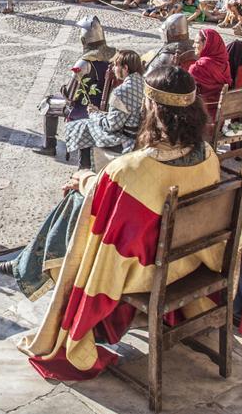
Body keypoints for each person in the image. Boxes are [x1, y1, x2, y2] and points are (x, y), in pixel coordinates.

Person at [18, 66, 222, 379]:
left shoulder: (131, 169)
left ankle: (30, 274)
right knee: (80, 199)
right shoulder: (208, 154)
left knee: (75, 211)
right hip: (192, 260)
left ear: (152, 109)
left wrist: (84, 179)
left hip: (150, 271)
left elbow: (105, 205)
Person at [36, 16, 116, 161]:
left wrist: (62, 89)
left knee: (48, 104)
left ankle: (49, 146)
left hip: (85, 108)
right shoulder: (112, 56)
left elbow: (71, 96)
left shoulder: (83, 63)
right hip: (106, 105)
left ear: (84, 40)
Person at [61, 49, 146, 166]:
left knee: (82, 126)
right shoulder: (143, 83)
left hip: (127, 141)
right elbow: (124, 115)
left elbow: (111, 126)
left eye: (116, 65)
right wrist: (100, 113)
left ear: (125, 68)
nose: (113, 69)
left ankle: (84, 171)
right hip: (140, 133)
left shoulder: (121, 92)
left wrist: (93, 114)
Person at [190, 28, 232, 110]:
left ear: (207, 44)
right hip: (220, 112)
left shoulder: (199, 67)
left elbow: (187, 90)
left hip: (201, 112)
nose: (193, 45)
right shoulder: (225, 64)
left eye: (197, 42)